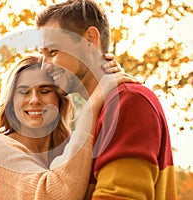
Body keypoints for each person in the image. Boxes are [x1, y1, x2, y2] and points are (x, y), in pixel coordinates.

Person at [36, 0, 177, 199]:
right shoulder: (97, 113)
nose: (44, 67)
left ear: (90, 40)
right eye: (42, 55)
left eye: (53, 52)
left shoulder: (127, 102)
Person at [0, 55, 138, 199]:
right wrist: (91, 107)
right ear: (11, 103)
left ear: (60, 100)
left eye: (45, 91)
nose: (34, 100)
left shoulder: (73, 151)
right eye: (24, 92)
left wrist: (107, 80)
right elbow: (51, 194)